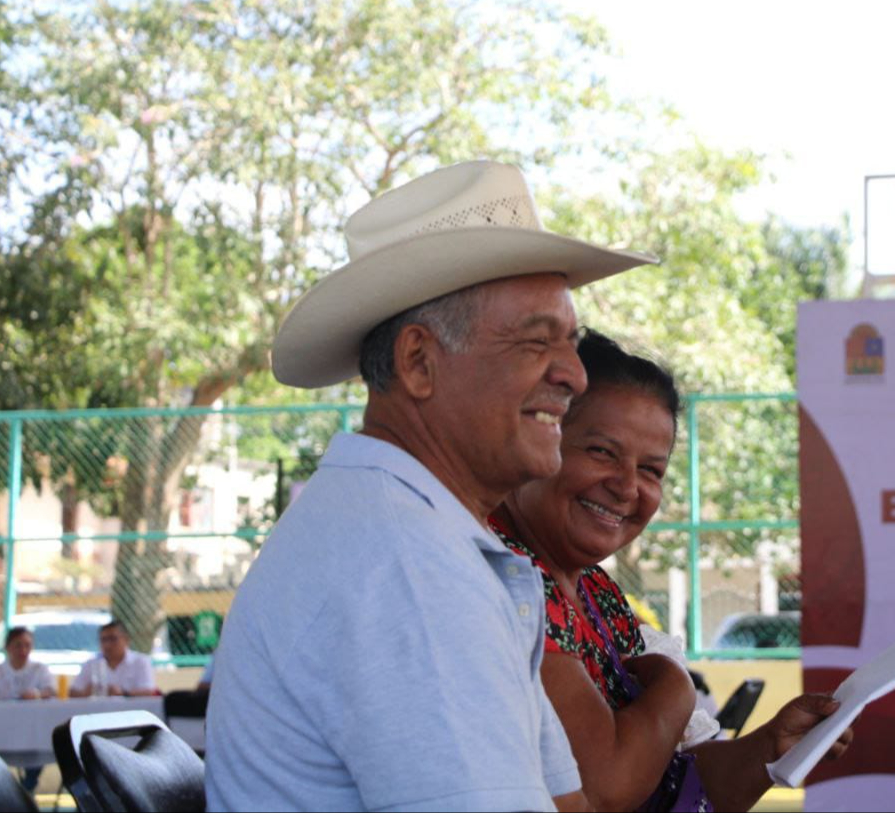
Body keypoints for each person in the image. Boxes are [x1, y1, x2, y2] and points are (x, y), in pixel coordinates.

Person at [205, 161, 655, 812]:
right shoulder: (408, 566)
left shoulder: (415, 536)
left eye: (571, 341)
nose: (576, 376)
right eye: (537, 341)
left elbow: (568, 803)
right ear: (418, 362)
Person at [491, 331, 855, 812]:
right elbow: (608, 786)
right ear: (539, 438)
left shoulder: (595, 591)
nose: (626, 487)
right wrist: (675, 687)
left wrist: (769, 746)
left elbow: (673, 785)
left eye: (651, 470)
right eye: (601, 451)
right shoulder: (508, 574)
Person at [0, 626, 56, 795]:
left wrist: (36, 694)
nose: (23, 650)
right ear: (8, 647)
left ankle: (28, 785)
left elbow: (52, 691)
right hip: (1, 727)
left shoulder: (39, 669)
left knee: (39, 743)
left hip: (32, 727)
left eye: (27, 645)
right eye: (18, 645)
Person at [69, 620, 158, 698]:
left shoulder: (141, 661)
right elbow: (72, 692)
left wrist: (123, 693)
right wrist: (85, 693)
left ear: (126, 639)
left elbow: (149, 691)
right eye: (103, 640)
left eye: (113, 639)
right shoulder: (90, 664)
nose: (107, 645)